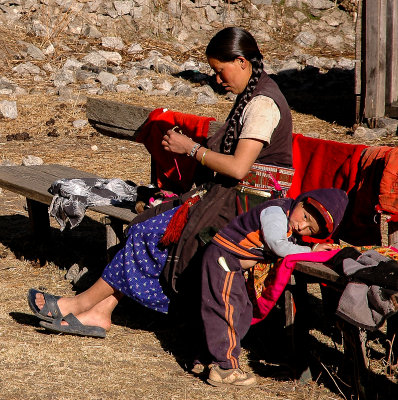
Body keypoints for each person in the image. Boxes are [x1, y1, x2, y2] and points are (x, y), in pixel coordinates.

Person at [27, 27, 294, 340]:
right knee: (148, 226)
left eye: (220, 71)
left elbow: (238, 168)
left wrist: (191, 149)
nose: (217, 80)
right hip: (227, 199)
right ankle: (98, 312)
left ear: (241, 62)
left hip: (249, 210)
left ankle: (83, 304)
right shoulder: (251, 96)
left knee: (149, 233)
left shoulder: (262, 104)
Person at [196, 188, 349, 387]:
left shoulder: (290, 222)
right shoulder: (276, 212)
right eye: (304, 217)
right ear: (300, 202)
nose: (302, 226)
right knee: (226, 310)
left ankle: (205, 358)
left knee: (242, 312)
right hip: (223, 259)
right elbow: (278, 245)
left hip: (233, 266)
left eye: (311, 230)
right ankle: (225, 367)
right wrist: (310, 250)